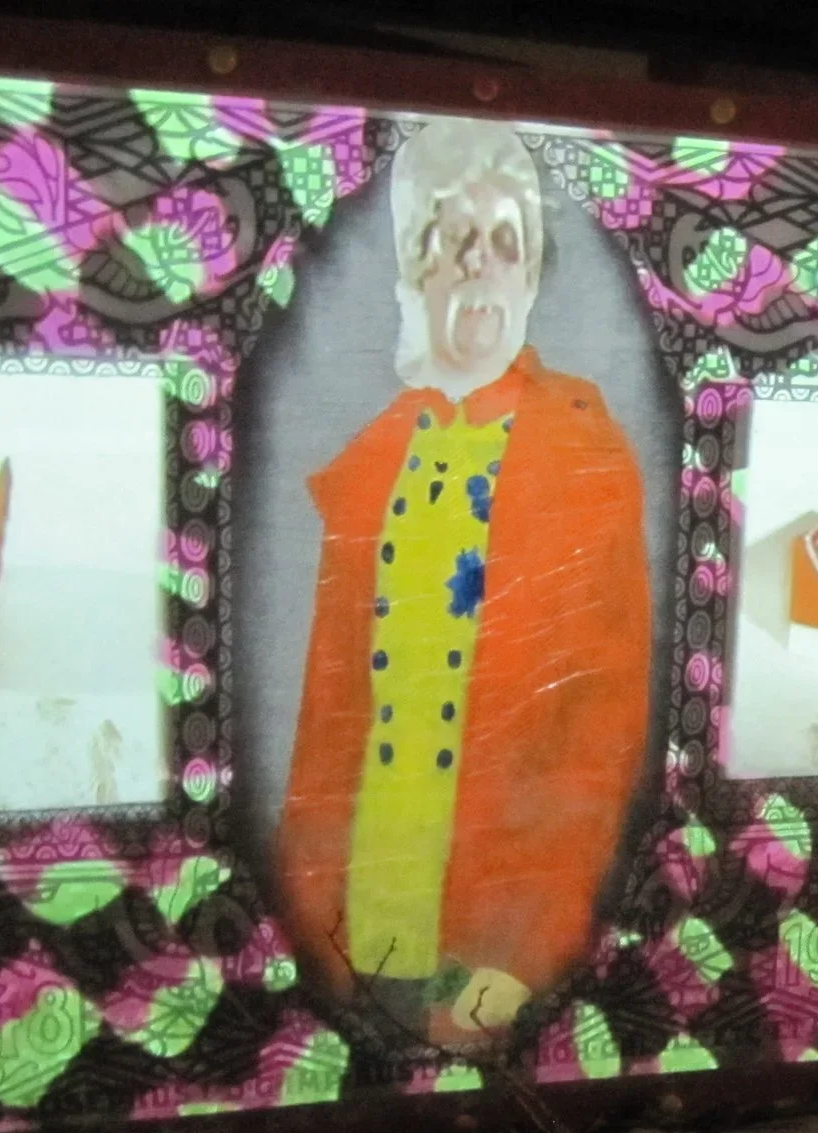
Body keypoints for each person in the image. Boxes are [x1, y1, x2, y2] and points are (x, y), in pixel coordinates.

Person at [273, 117, 652, 1045]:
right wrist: (302, 913)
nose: (480, 269)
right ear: (416, 273)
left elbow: (596, 740)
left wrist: (527, 946)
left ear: (529, 277)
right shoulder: (377, 459)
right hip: (352, 925)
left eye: (506, 246)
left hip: (491, 934)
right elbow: (329, 720)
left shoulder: (583, 450)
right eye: (455, 245)